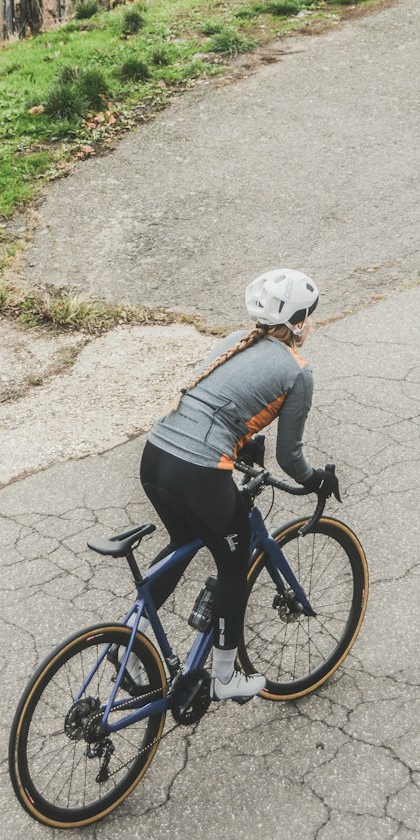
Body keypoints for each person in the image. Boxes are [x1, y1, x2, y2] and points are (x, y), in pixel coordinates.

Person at [140, 267, 333, 703]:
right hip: (198, 471)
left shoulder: (231, 343)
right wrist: (316, 479)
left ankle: (128, 653)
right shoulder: (298, 372)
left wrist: (241, 446)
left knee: (182, 542)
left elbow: (214, 408)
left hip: (156, 457)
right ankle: (225, 678)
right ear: (300, 322)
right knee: (233, 563)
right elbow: (291, 458)